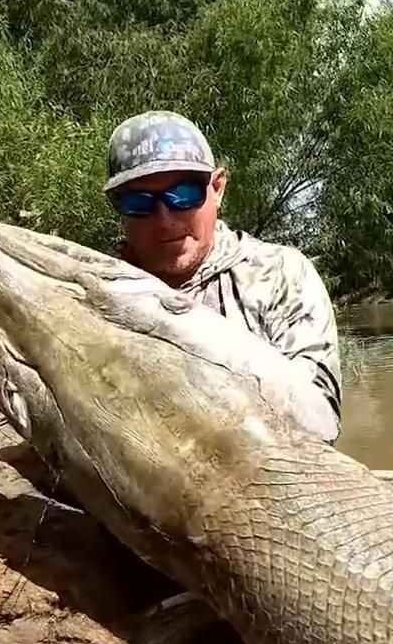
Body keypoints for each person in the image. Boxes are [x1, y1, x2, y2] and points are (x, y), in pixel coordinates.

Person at [102, 110, 343, 438]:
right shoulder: (98, 290)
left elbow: (315, 422)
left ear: (217, 188)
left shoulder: (280, 275)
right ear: (118, 206)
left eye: (183, 194)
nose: (164, 218)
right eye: (139, 202)